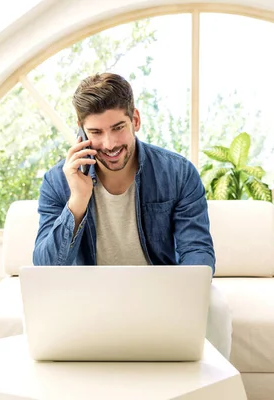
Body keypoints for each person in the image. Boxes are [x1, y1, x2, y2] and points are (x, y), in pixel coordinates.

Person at [32, 72, 232, 359]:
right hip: (89, 296)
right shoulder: (58, 182)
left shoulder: (178, 173)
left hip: (161, 292)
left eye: (118, 127)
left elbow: (197, 250)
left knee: (217, 308)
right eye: (96, 132)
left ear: (135, 120)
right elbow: (45, 268)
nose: (110, 144)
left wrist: (184, 296)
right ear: (81, 132)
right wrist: (77, 200)